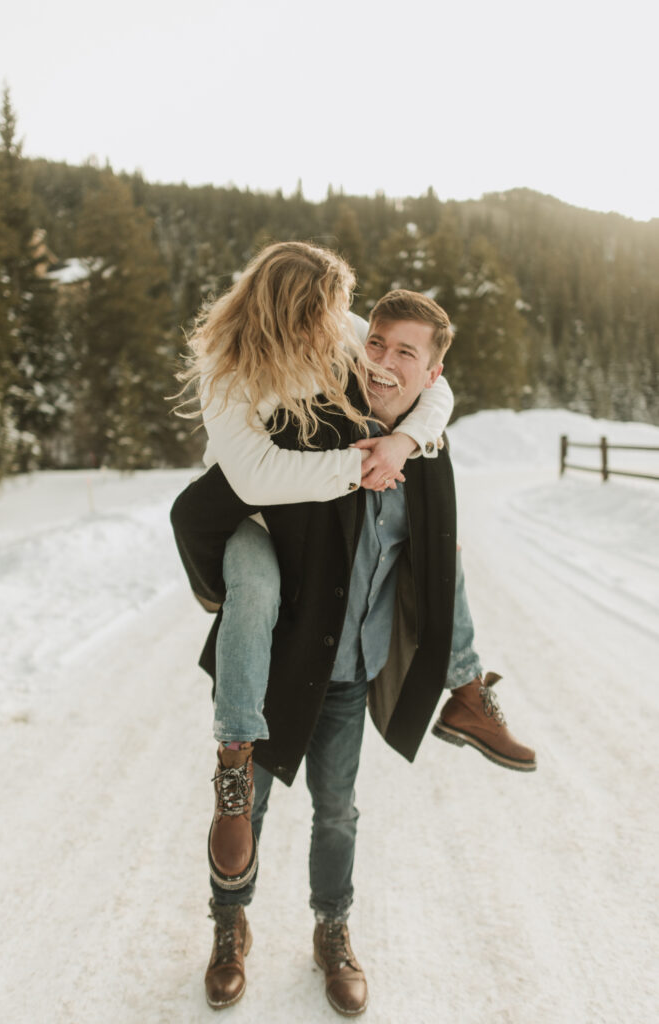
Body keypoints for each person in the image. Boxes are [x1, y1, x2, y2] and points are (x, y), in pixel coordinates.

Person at [172, 273, 535, 1014]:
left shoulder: (429, 454)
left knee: (338, 810)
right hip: (279, 660)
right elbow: (219, 497)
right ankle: (229, 928)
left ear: (433, 373)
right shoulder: (313, 424)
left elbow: (435, 561)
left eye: (407, 353)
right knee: (248, 808)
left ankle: (332, 931)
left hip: (351, 669)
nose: (384, 361)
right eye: (376, 343)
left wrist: (454, 666)